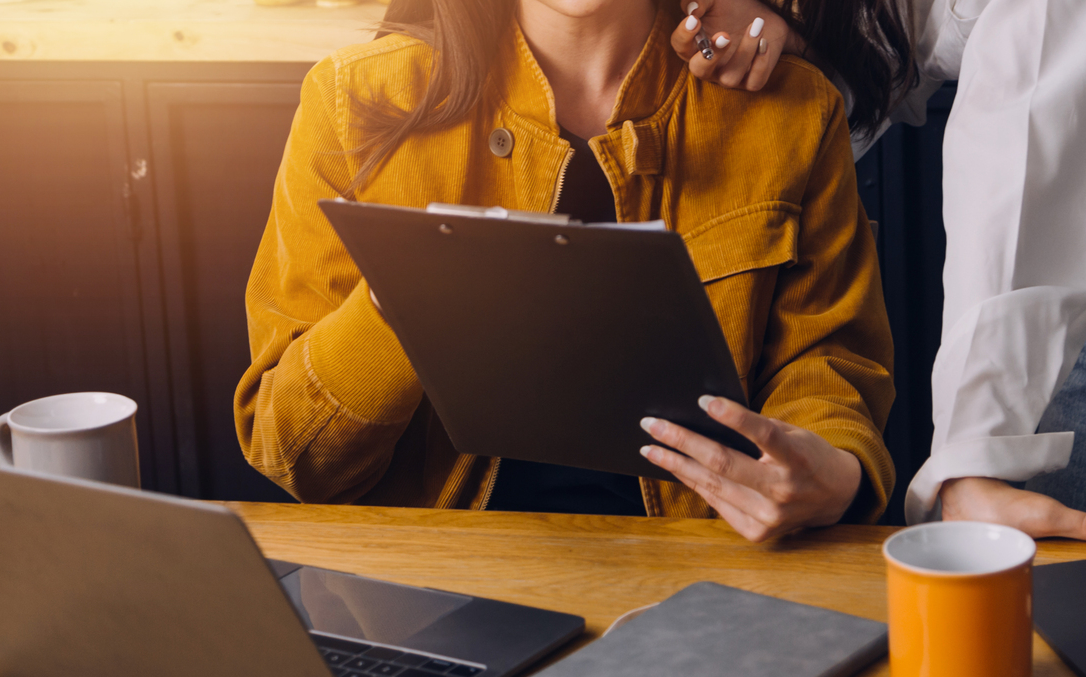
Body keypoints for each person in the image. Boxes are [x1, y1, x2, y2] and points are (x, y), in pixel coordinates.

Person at [236, 0, 914, 542]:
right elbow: (295, 455)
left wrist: (834, 468)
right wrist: (396, 299)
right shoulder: (353, 100)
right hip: (434, 576)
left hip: (712, 568)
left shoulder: (795, 107)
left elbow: (827, 365)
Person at [672, 0, 1086, 542]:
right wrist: (802, 40)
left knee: (1065, 617)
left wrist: (975, 454)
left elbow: (1033, 110)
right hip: (1022, 192)